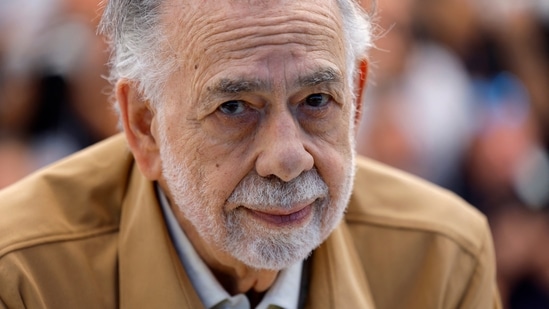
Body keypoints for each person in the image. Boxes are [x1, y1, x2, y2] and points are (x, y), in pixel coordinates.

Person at [0, 0, 501, 308]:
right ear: (144, 126)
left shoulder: (443, 262)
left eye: (317, 101)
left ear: (356, 101)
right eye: (235, 107)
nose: (287, 159)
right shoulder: (23, 278)